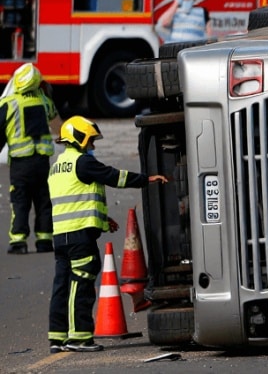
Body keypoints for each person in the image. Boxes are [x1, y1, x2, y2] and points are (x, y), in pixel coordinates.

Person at [47, 116, 168, 353]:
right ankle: (79, 337)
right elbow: (114, 176)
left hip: (62, 236)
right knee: (80, 285)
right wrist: (146, 179)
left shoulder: (57, 166)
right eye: (90, 141)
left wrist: (103, 220)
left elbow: (75, 201)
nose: (93, 146)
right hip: (79, 236)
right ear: (78, 138)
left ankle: (57, 337)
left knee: (62, 286)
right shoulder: (82, 162)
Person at [3, 63, 60, 254]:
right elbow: (57, 126)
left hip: (21, 163)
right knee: (43, 200)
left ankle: (19, 242)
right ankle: (44, 241)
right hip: (42, 162)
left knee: (20, 201)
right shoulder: (44, 101)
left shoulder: (9, 103)